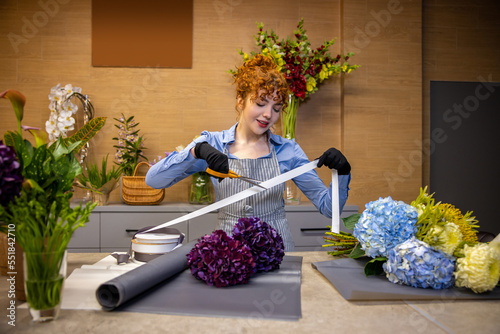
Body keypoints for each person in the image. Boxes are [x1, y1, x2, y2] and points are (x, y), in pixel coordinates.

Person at [146, 54, 351, 251]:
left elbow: (329, 208)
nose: (268, 115)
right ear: (240, 101)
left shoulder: (289, 150)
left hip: (278, 253)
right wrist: (195, 151)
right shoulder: (213, 143)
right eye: (260, 103)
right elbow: (154, 181)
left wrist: (341, 173)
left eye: (277, 108)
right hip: (228, 255)